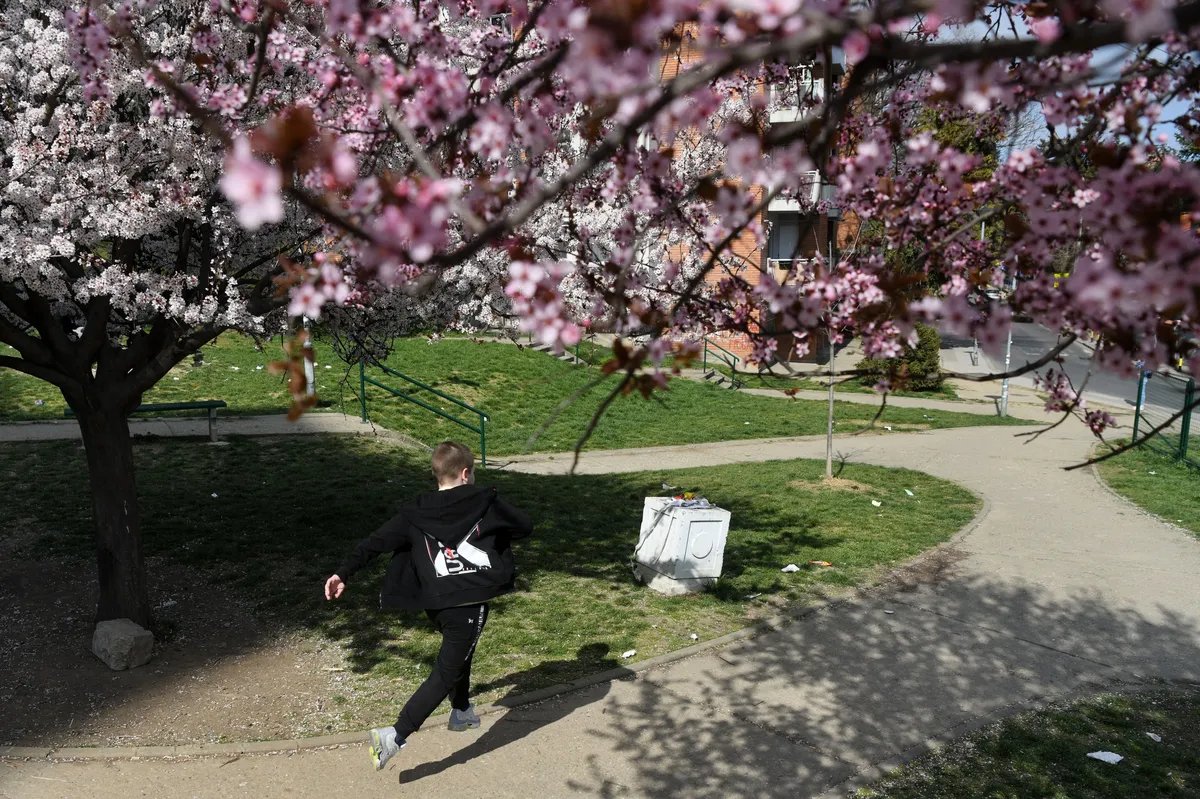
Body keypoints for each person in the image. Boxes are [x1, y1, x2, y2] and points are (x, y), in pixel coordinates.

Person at [323, 440, 533, 770]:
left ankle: (461, 711)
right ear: (466, 473)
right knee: (446, 671)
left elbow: (375, 541)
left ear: (436, 474)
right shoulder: (486, 503)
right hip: (469, 602)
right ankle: (394, 735)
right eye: (473, 472)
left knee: (462, 650)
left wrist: (342, 572)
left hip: (436, 605)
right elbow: (525, 526)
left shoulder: (414, 514)